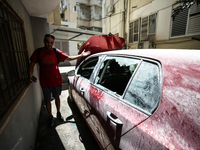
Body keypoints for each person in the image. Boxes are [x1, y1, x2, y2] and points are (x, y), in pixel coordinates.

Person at [29, 34, 90, 127]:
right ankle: (50, 116)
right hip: (45, 82)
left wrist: (81, 55)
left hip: (56, 81)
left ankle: (58, 112)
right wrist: (30, 75)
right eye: (47, 42)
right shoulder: (38, 52)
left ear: (53, 43)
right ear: (44, 41)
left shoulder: (56, 52)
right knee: (47, 100)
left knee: (57, 97)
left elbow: (69, 58)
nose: (49, 44)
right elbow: (32, 64)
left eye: (51, 43)